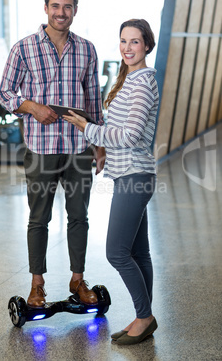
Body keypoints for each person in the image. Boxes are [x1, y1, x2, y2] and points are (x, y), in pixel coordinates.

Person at [0, 0, 105, 308]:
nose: (61, 12)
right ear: (45, 8)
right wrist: (31, 106)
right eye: (55, 6)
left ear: (75, 10)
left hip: (78, 147)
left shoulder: (87, 49)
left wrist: (100, 145)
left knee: (79, 217)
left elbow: (94, 100)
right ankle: (37, 285)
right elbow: (5, 93)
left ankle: (77, 279)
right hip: (41, 148)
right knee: (38, 218)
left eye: (67, 6)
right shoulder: (23, 48)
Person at [63, 19, 159, 345]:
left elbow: (131, 134)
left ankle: (144, 317)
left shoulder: (143, 82)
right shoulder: (129, 78)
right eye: (123, 41)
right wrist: (102, 149)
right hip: (128, 172)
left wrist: (87, 130)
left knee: (117, 253)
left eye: (135, 42)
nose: (128, 48)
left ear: (147, 45)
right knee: (138, 252)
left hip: (135, 174)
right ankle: (142, 317)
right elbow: (120, 128)